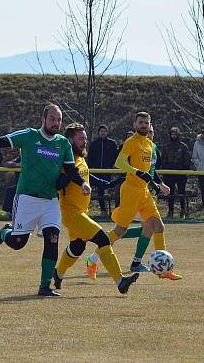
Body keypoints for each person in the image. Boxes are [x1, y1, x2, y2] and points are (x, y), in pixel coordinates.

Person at [0, 104, 88, 297]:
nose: (56, 123)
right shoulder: (29, 135)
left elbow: (71, 169)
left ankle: (44, 286)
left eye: (59, 120)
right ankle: (5, 232)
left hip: (50, 201)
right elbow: (2, 141)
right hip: (27, 199)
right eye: (52, 118)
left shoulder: (63, 143)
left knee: (52, 239)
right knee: (17, 242)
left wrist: (82, 183)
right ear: (44, 119)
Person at [51, 123, 139, 295]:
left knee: (77, 247)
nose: (84, 141)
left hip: (81, 211)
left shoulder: (80, 158)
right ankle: (121, 281)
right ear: (70, 140)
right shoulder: (64, 160)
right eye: (80, 138)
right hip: (71, 213)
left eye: (85, 138)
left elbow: (87, 175)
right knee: (103, 240)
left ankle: (58, 273)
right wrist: (69, 175)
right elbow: (58, 184)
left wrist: (107, 183)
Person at [108, 112, 182, 280]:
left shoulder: (149, 144)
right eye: (140, 122)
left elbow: (150, 172)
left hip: (144, 192)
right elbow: (119, 163)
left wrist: (159, 185)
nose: (143, 125)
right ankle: (94, 258)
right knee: (120, 230)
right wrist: (136, 172)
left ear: (150, 125)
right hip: (130, 191)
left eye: (146, 123)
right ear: (135, 124)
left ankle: (164, 270)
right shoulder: (131, 141)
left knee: (158, 227)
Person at [87, 124, 119, 214]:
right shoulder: (94, 144)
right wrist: (90, 167)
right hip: (97, 172)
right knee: (100, 190)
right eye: (101, 131)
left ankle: (113, 211)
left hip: (108, 171)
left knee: (109, 188)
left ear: (107, 132)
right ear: (98, 133)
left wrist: (112, 165)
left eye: (104, 131)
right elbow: (90, 158)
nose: (103, 133)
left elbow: (115, 156)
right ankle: (103, 209)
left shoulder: (112, 143)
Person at [162, 127, 190, 218]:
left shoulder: (183, 146)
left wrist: (183, 170)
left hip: (180, 173)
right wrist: (166, 170)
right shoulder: (166, 147)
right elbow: (163, 160)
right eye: (172, 134)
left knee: (181, 192)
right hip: (169, 173)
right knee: (170, 192)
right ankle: (171, 211)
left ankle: (183, 210)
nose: (173, 136)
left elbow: (187, 161)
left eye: (175, 134)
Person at [191, 127, 204, 219]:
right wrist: (199, 164)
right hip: (201, 170)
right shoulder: (197, 143)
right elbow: (194, 157)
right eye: (202, 132)